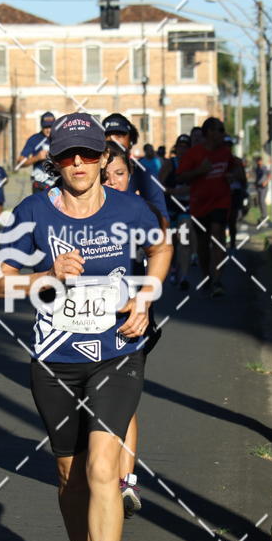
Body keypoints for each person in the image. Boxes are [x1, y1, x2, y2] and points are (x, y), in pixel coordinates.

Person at [0, 113, 171, 541]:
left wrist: (145, 298)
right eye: (68, 156)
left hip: (117, 354)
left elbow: (162, 246)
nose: (79, 164)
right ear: (56, 162)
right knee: (70, 476)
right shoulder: (33, 213)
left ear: (102, 158)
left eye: (89, 154)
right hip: (54, 361)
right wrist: (44, 274)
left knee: (102, 472)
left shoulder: (129, 208)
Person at [102, 113, 169, 515]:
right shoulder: (81, 202)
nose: (113, 180)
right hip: (84, 313)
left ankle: (126, 481)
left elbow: (161, 232)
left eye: (120, 173)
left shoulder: (142, 190)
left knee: (124, 392)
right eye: (106, 174)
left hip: (132, 304)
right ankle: (97, 467)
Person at [177, 117, 238, 298]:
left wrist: (232, 175)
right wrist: (199, 171)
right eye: (219, 130)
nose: (222, 134)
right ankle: (207, 276)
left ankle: (218, 280)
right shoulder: (194, 154)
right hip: (200, 204)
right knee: (202, 244)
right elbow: (180, 177)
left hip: (221, 201)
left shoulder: (226, 153)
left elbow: (237, 170)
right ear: (209, 133)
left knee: (218, 234)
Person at [159, 134, 192, 289]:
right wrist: (172, 191)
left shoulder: (193, 165)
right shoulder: (170, 163)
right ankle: (173, 270)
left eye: (186, 147)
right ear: (176, 148)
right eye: (181, 147)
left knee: (184, 241)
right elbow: (158, 184)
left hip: (186, 207)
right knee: (171, 242)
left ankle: (184, 276)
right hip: (170, 207)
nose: (183, 150)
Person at [18, 111, 56, 194]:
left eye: (51, 127)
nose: (48, 130)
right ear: (41, 126)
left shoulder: (60, 138)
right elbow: (20, 163)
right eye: (46, 127)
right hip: (39, 184)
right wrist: (37, 157)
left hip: (57, 183)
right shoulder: (34, 139)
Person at [224, 136, 248, 253]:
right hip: (222, 193)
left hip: (235, 193)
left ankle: (232, 241)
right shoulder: (219, 161)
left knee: (232, 218)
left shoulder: (237, 161)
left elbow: (243, 179)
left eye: (229, 146)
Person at [254, 156, 270, 222]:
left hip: (264, 186)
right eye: (257, 161)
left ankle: (265, 215)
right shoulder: (257, 168)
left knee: (262, 200)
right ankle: (262, 215)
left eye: (259, 161)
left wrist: (266, 182)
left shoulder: (264, 168)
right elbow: (257, 177)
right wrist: (255, 183)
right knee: (259, 201)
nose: (258, 162)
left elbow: (269, 175)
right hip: (259, 186)